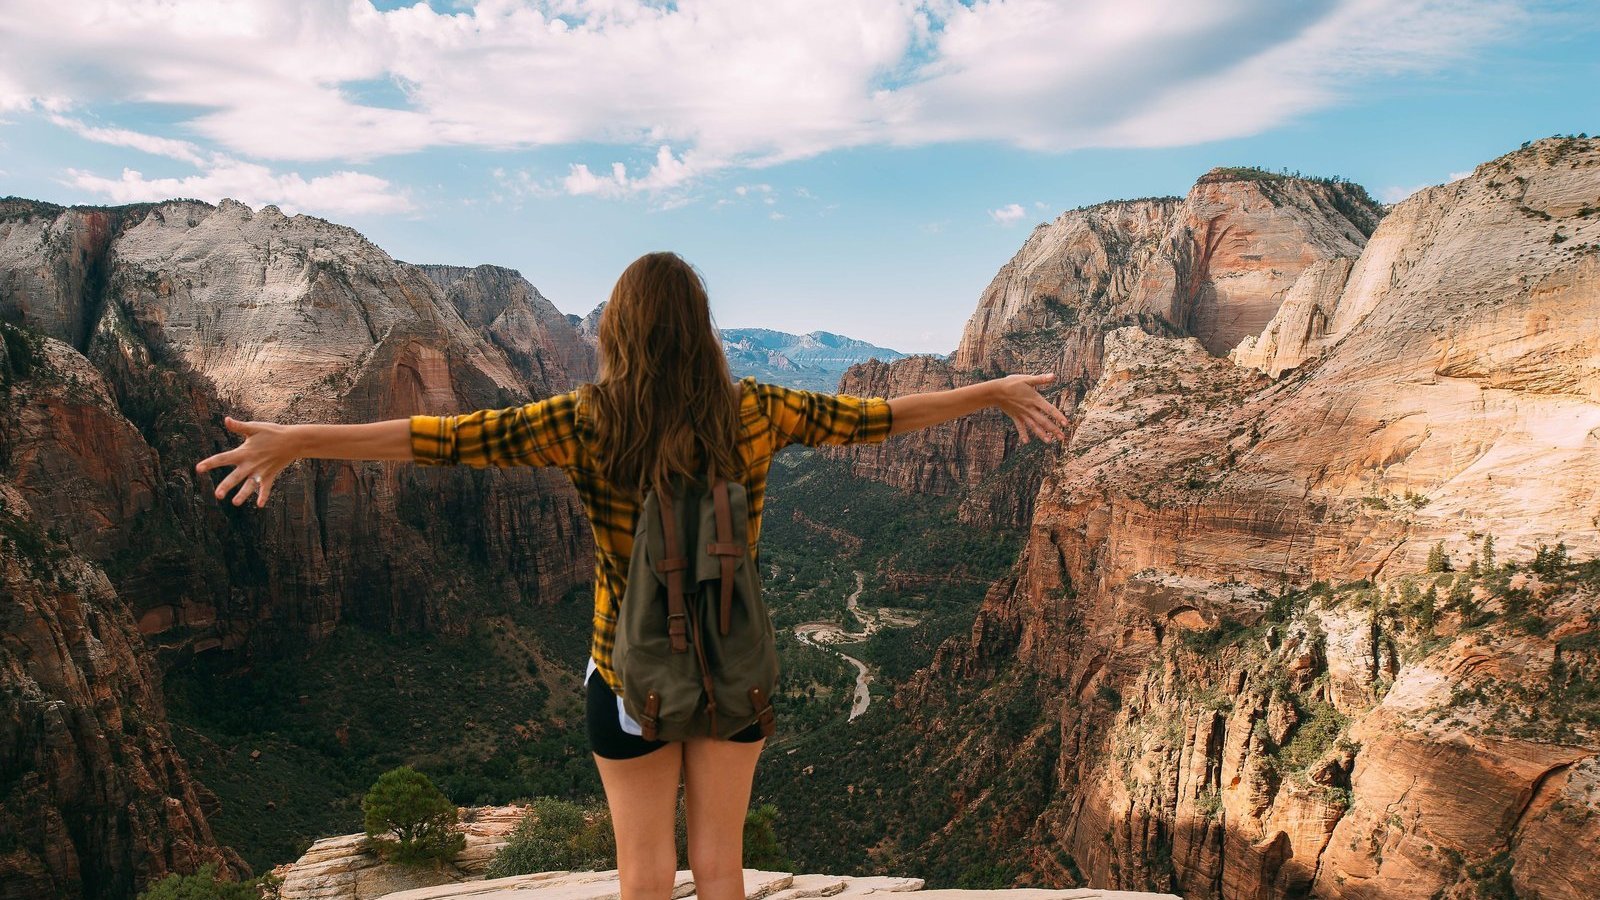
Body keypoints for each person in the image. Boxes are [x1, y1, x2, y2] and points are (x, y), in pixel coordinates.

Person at [194, 251, 1068, 900]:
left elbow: (443, 440)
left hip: (626, 675)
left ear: (615, 331)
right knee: (720, 867)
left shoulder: (587, 419)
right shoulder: (757, 409)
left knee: (645, 872)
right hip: (735, 672)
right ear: (702, 329)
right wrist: (986, 393)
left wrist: (303, 439)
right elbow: (874, 420)